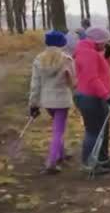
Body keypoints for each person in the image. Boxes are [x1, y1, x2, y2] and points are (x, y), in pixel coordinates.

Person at [73, 27, 110, 174]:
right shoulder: (88, 54)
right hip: (90, 97)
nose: (105, 45)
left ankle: (103, 159)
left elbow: (103, 71)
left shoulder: (92, 52)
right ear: (97, 41)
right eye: (104, 42)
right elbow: (92, 79)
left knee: (103, 129)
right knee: (93, 131)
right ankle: (89, 163)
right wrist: (107, 96)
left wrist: (107, 56)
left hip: (96, 96)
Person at [28, 30, 76, 174]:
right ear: (61, 43)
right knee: (58, 131)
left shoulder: (39, 59)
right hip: (62, 100)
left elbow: (35, 84)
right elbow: (72, 81)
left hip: (47, 101)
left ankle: (61, 154)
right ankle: (51, 162)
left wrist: (33, 104)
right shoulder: (66, 59)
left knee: (57, 128)